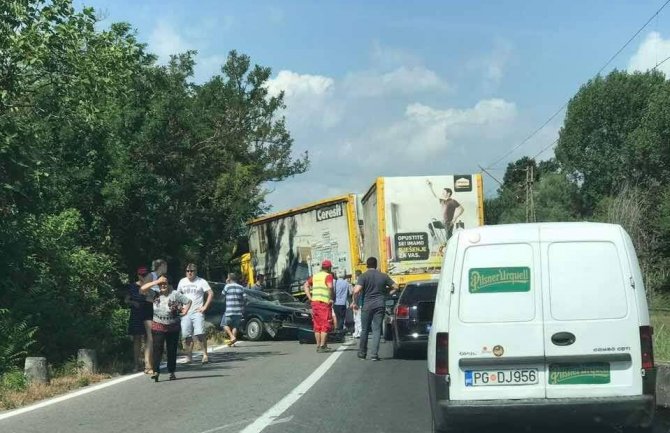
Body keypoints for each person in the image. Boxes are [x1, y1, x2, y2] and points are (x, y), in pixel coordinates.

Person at [140, 275, 191, 382]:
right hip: (158, 325)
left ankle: (172, 371)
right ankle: (156, 371)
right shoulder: (155, 294)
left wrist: (185, 311)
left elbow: (188, 301)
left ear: (169, 284)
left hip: (173, 326)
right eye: (161, 284)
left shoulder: (175, 294)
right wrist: (156, 281)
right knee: (157, 349)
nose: (163, 285)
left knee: (171, 350)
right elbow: (142, 289)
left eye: (165, 283)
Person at [353, 257, 398, 361]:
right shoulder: (383, 276)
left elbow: (356, 290)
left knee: (364, 330)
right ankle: (374, 354)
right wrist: (386, 294)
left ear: (367, 265)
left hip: (367, 306)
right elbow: (395, 286)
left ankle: (362, 353)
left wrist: (355, 302)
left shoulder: (363, 276)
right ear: (376, 265)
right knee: (377, 330)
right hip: (380, 305)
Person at [177, 263, 213, 364]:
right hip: (185, 312)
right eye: (187, 271)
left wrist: (205, 307)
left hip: (197, 311)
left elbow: (210, 293)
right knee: (186, 335)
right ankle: (189, 357)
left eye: (192, 271)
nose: (189, 273)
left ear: (195, 272)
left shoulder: (201, 281)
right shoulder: (182, 281)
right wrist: (179, 307)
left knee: (199, 333)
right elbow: (177, 295)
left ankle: (205, 355)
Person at [125, 266, 154, 374]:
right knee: (136, 339)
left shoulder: (151, 286)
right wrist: (133, 303)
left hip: (148, 313)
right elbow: (126, 300)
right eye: (141, 275)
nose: (143, 276)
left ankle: (148, 363)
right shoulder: (132, 286)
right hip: (136, 314)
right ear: (138, 275)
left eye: (145, 274)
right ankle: (136, 364)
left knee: (148, 338)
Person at [303, 260, 335, 353]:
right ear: (329, 268)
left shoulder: (315, 276)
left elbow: (305, 285)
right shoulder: (328, 276)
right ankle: (322, 346)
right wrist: (331, 298)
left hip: (315, 303)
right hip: (324, 303)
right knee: (326, 324)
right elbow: (330, 287)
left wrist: (310, 297)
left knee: (317, 326)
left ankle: (318, 345)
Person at [221, 272, 246, 347]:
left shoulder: (227, 286)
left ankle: (232, 337)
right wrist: (242, 306)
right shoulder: (241, 287)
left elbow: (222, 295)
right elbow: (245, 298)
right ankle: (232, 343)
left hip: (229, 310)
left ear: (229, 278)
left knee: (224, 324)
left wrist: (226, 283)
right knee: (235, 326)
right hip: (238, 311)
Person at [350, 270, 363, 338]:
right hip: (357, 302)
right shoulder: (358, 282)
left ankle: (359, 332)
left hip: (357, 303)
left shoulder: (359, 283)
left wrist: (355, 303)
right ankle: (357, 331)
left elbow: (356, 294)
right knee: (356, 319)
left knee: (358, 319)